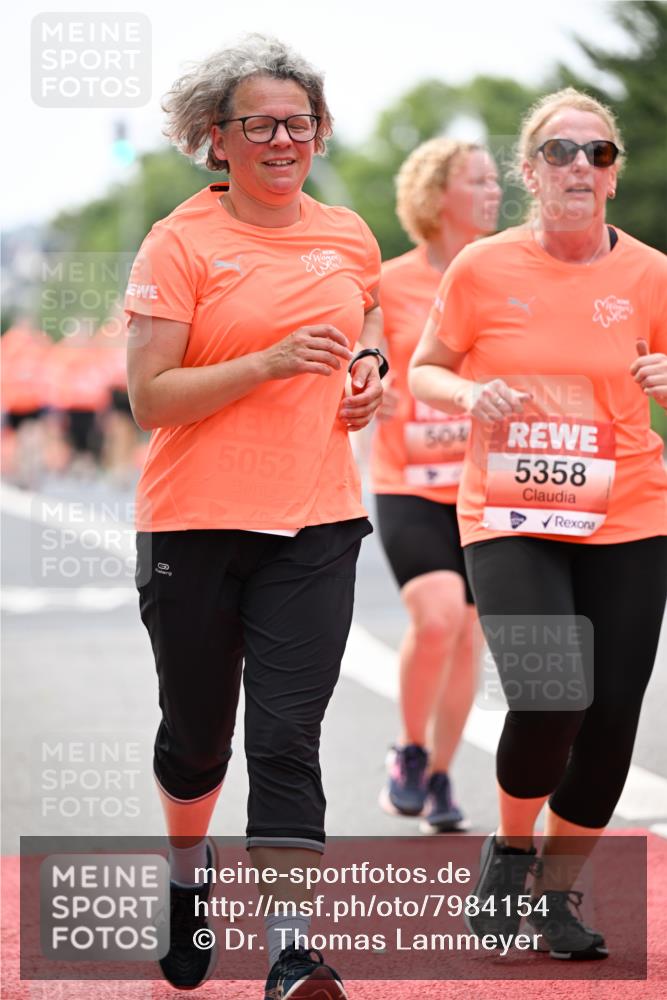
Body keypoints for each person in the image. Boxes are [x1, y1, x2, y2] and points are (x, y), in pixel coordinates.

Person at [124, 33, 385, 998]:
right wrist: (268, 364)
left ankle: (290, 952)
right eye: (260, 123)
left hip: (316, 522)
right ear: (215, 139)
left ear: (318, 134)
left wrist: (370, 373)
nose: (284, 139)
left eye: (300, 122)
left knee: (285, 739)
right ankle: (189, 883)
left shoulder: (348, 231)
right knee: (197, 739)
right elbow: (151, 400)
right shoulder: (179, 243)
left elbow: (367, 319)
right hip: (192, 522)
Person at [409, 87, 667, 960]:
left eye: (596, 154)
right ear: (529, 171)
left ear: (612, 177)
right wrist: (472, 393)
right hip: (509, 511)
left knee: (611, 725)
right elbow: (424, 370)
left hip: (627, 512)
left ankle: (555, 898)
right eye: (560, 152)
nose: (578, 168)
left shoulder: (649, 272)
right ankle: (511, 847)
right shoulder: (481, 268)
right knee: (552, 692)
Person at [369, 138, 500, 832]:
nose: (493, 190)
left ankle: (442, 776)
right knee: (440, 614)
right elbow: (355, 364)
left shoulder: (510, 275)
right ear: (434, 196)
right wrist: (376, 386)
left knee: (470, 637)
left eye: (494, 179)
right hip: (410, 483)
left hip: (489, 487)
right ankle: (409, 751)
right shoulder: (388, 283)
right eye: (476, 180)